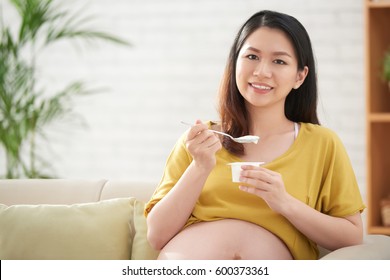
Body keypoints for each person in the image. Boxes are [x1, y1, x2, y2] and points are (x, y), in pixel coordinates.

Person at [144, 10, 365, 260]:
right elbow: (157, 236)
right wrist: (200, 167)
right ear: (235, 62)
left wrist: (285, 203)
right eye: (252, 56)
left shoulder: (322, 144)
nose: (261, 71)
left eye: (279, 61)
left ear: (300, 76)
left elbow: (352, 236)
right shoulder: (198, 142)